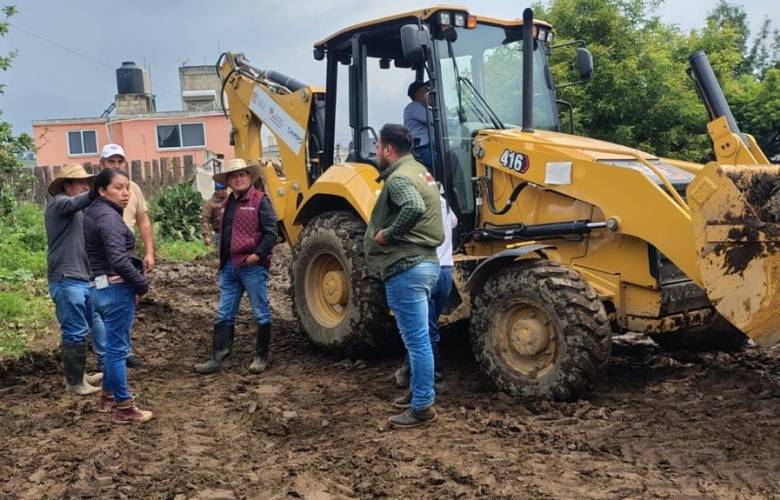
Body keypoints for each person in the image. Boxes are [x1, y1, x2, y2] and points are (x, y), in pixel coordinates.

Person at [364, 124, 444, 429]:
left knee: (417, 341)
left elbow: (412, 206)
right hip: (425, 263)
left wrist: (388, 234)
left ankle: (422, 407)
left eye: (377, 148)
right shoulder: (420, 170)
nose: (376, 153)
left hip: (406, 266)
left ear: (387, 149)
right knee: (420, 337)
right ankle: (419, 392)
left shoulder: (398, 179)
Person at [194, 159, 277, 375]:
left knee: (261, 311)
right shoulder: (226, 205)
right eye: (234, 176)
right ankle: (219, 357)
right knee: (224, 312)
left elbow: (271, 233)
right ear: (228, 181)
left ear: (249, 178)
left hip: (252, 267)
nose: (238, 179)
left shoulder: (260, 201)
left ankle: (261, 356)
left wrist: (257, 255)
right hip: (229, 266)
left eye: (242, 175)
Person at [84, 168, 152, 424]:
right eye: (118, 188)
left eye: (127, 187)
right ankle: (124, 407)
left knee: (114, 347)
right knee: (117, 351)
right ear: (102, 191)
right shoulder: (109, 219)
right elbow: (119, 260)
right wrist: (141, 285)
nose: (125, 193)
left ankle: (108, 396)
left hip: (99, 288)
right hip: (114, 290)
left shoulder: (96, 213)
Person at [45, 164, 104, 396]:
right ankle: (74, 382)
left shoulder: (76, 211)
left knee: (84, 326)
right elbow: (76, 202)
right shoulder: (59, 204)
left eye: (87, 183)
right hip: (66, 277)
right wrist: (98, 189)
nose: (85, 187)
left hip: (80, 277)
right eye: (81, 183)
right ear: (66, 185)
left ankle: (79, 375)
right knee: (74, 330)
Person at [394, 186, 458, 394]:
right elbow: (455, 223)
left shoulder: (416, 207)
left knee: (425, 331)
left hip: (425, 271)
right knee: (423, 326)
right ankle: (405, 372)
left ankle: (437, 378)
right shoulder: (445, 205)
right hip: (446, 272)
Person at [98, 143, 153, 368]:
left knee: (126, 301)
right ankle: (106, 354)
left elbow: (143, 219)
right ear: (102, 164)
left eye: (120, 161)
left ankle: (122, 350)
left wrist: (149, 251)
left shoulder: (133, 189)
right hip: (102, 255)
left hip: (125, 251)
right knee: (104, 301)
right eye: (112, 162)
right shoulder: (98, 190)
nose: (117, 165)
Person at [403, 80, 434, 170]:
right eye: (426, 91)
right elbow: (434, 120)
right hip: (420, 150)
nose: (429, 94)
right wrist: (435, 103)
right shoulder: (414, 107)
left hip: (426, 148)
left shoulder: (424, 108)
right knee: (447, 160)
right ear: (418, 94)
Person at [201, 182, 228, 246]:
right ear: (216, 190)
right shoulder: (210, 204)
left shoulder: (231, 199)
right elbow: (205, 220)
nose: (224, 191)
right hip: (219, 234)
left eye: (225, 188)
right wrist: (206, 236)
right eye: (221, 189)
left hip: (233, 233)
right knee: (220, 254)